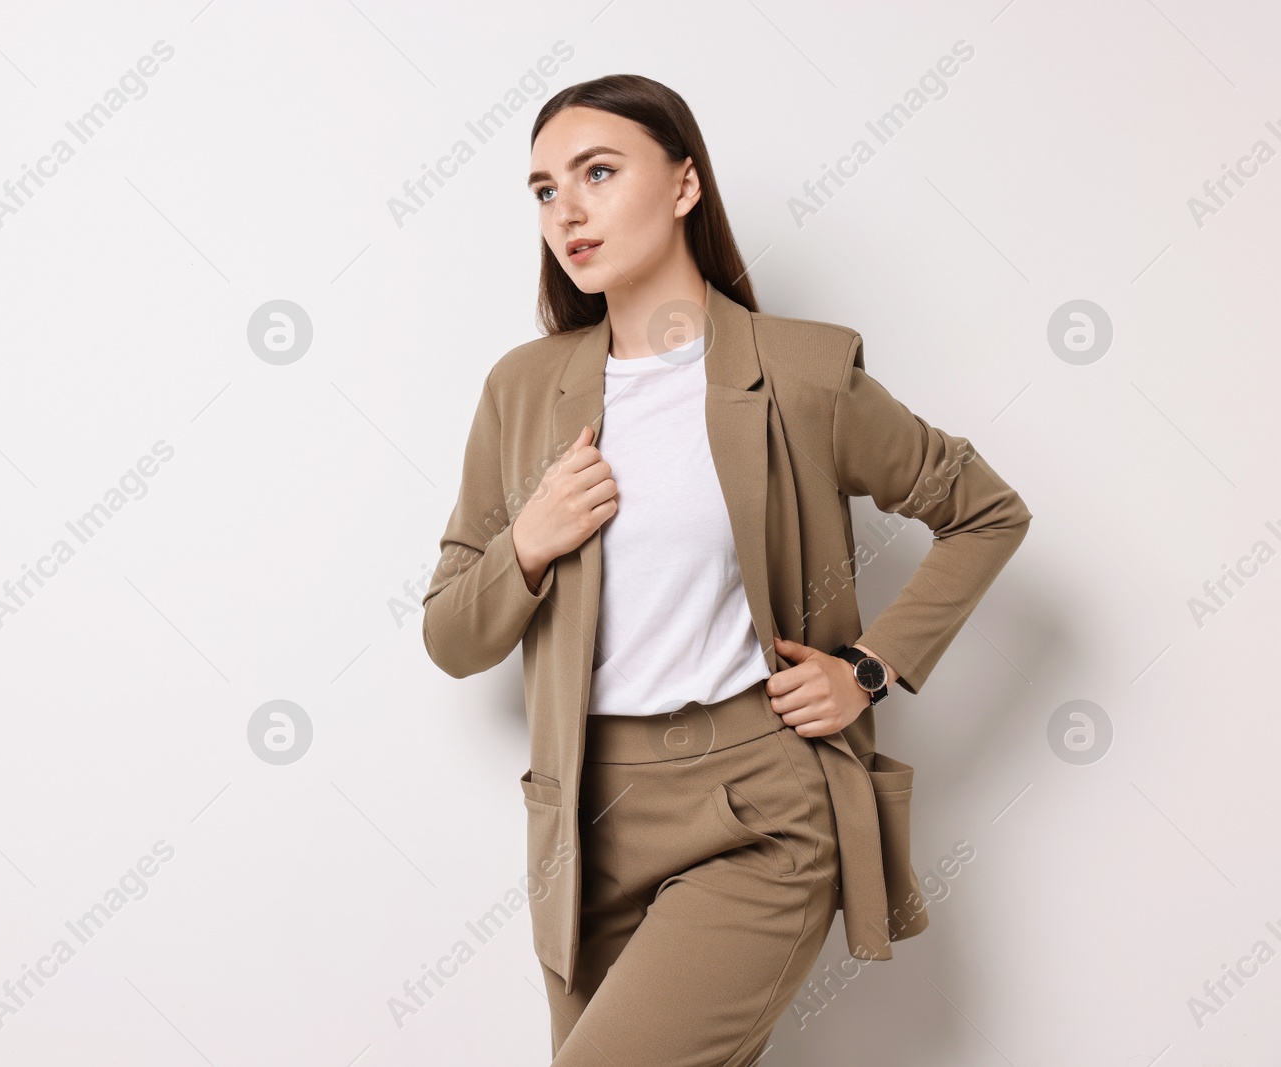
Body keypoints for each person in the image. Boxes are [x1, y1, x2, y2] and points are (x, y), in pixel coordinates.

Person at [421, 73, 1032, 1065]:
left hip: (760, 810)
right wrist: (526, 542)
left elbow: (984, 511)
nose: (565, 210)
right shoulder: (523, 389)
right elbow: (451, 635)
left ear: (682, 185)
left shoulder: (802, 374)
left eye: (597, 171)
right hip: (582, 822)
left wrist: (869, 667)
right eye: (541, 189)